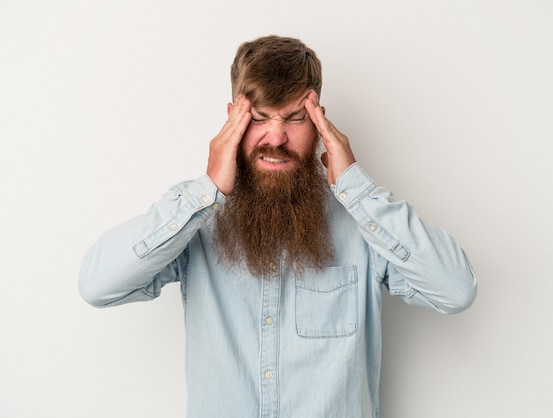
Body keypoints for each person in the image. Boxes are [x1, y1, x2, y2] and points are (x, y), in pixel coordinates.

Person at [79, 35, 477, 418]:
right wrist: (207, 191)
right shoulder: (194, 219)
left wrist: (355, 187)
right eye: (258, 118)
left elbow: (455, 290)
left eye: (295, 118)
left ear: (320, 122)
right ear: (233, 118)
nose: (277, 136)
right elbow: (98, 284)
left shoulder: (362, 222)